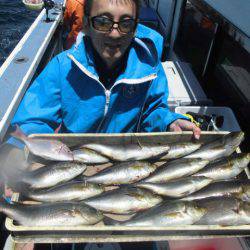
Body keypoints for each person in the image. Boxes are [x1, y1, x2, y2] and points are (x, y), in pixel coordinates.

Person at [1, 0, 201, 168]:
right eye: (103, 22)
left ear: (135, 27)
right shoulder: (62, 67)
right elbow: (34, 120)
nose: (115, 33)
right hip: (73, 159)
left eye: (125, 23)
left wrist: (169, 121)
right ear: (87, 24)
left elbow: (152, 110)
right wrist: (16, 148)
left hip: (124, 160)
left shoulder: (149, 66)